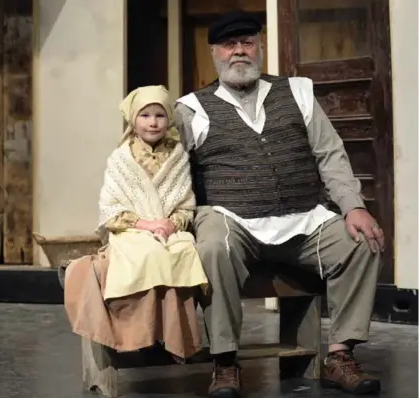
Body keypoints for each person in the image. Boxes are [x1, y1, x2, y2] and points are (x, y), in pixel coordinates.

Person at [174, 10, 384, 398]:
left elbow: (330, 154)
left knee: (363, 240)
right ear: (215, 53)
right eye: (229, 45)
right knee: (211, 245)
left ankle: (340, 354)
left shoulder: (297, 92)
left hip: (303, 221)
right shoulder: (192, 108)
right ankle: (224, 362)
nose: (239, 52)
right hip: (231, 221)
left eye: (247, 43)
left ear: (260, 47)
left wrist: (353, 206)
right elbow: (174, 171)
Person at [63, 85, 209, 361]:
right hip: (132, 229)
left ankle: (176, 339)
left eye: (159, 115)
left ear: (169, 120)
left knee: (181, 253)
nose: (153, 122)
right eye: (145, 115)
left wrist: (170, 224)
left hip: (167, 229)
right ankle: (138, 337)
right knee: (143, 255)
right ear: (133, 120)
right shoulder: (120, 158)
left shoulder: (178, 156)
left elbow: (185, 203)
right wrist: (145, 224)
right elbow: (111, 208)